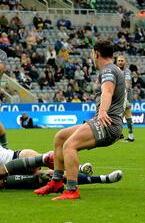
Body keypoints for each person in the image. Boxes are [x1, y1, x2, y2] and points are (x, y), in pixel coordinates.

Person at [35, 40, 125, 200]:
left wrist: (103, 111)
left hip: (107, 124)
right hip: (104, 121)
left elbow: (108, 91)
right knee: (60, 137)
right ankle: (56, 182)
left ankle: (71, 190)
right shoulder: (111, 69)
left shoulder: (109, 70)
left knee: (70, 145)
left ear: (96, 53)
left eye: (92, 53)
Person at [0, 128, 123, 190]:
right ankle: (99, 178)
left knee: (35, 156)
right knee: (49, 177)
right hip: (6, 176)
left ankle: (77, 166)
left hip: (15, 157)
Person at [116, 55, 134, 142]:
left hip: (125, 97)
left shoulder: (127, 71)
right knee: (125, 116)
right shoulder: (116, 71)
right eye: (119, 60)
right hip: (119, 97)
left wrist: (125, 97)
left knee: (123, 116)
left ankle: (124, 135)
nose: (120, 62)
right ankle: (126, 135)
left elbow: (127, 84)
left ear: (125, 61)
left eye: (122, 60)